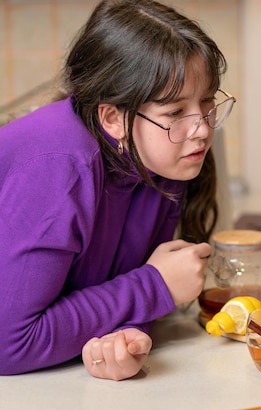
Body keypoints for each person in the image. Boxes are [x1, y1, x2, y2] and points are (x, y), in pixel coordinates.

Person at [0, 0, 236, 381]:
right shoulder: (59, 170)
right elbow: (9, 345)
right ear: (113, 118)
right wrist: (155, 286)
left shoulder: (161, 154)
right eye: (175, 112)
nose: (203, 129)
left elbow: (110, 291)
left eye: (207, 101)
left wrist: (125, 339)